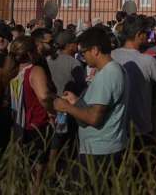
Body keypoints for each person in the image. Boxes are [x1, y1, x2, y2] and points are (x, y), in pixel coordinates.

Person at [53, 27, 128, 173]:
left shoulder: (108, 74)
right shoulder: (111, 70)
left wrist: (66, 107)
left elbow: (94, 117)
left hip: (99, 151)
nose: (82, 57)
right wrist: (76, 101)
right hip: (103, 147)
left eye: (83, 53)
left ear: (95, 50)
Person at [111, 16, 156, 139]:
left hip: (115, 128)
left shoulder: (111, 56)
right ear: (139, 35)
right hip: (141, 128)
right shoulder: (147, 60)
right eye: (146, 33)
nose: (148, 36)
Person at [8, 35, 54, 169]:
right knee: (38, 170)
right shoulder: (35, 70)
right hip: (38, 124)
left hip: (20, 125)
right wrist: (52, 112)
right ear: (30, 53)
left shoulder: (12, 71)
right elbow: (44, 96)